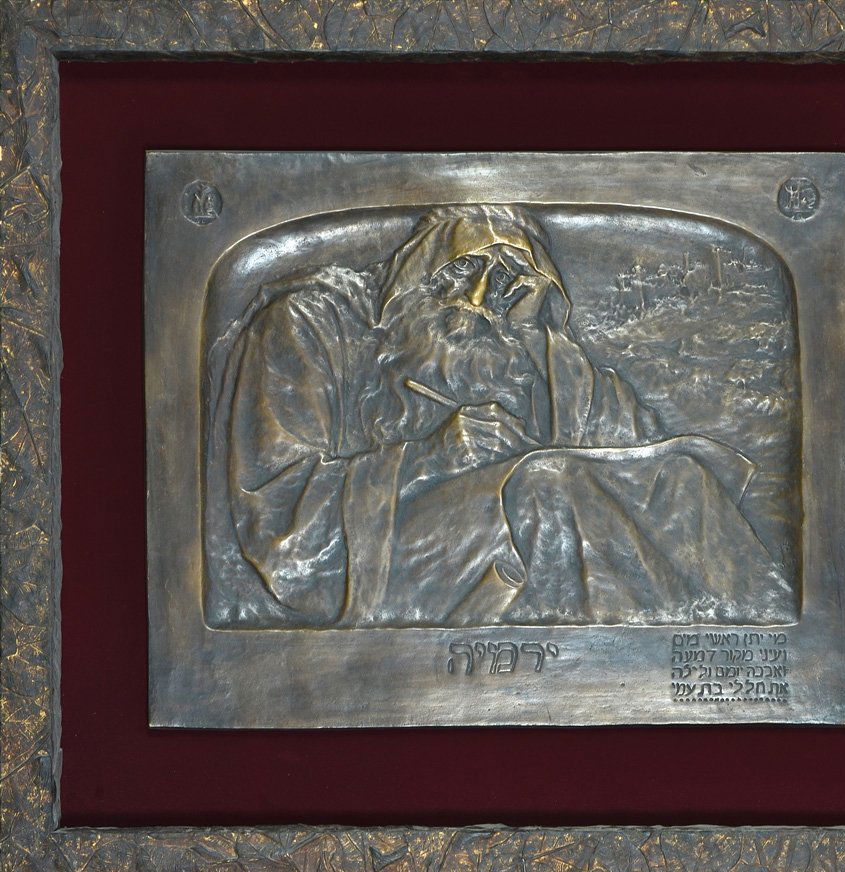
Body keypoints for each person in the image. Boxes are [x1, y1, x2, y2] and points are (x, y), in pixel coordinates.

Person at [207, 204, 796, 627]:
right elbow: (275, 517)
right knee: (548, 484)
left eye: (508, 280)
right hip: (364, 556)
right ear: (416, 269)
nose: (478, 299)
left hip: (489, 539)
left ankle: (769, 643)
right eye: (463, 268)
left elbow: (641, 465)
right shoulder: (312, 325)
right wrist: (430, 457)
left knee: (681, 481)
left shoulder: (536, 359)